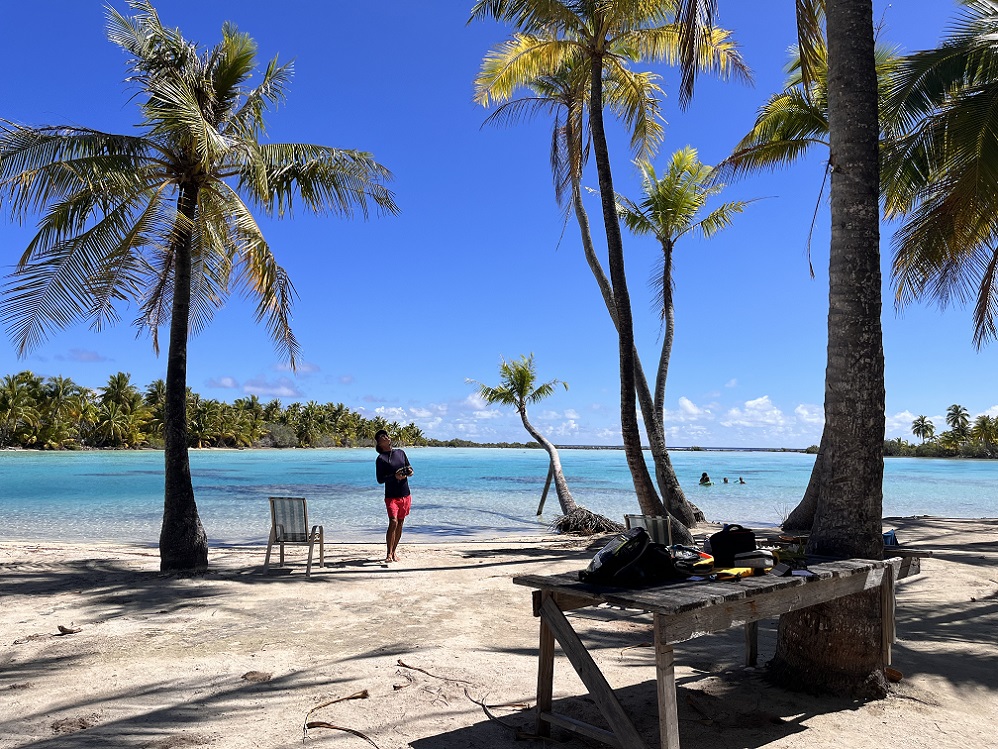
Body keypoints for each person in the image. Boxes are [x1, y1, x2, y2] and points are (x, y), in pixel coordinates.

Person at [374, 429, 413, 563]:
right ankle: (388, 553)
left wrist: (409, 471)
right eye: (382, 436)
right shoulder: (381, 459)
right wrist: (394, 476)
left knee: (400, 523)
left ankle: (394, 551)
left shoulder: (400, 453)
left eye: (386, 435)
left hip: (405, 494)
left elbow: (409, 467)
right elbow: (380, 479)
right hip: (391, 495)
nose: (386, 436)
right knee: (393, 521)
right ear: (379, 443)